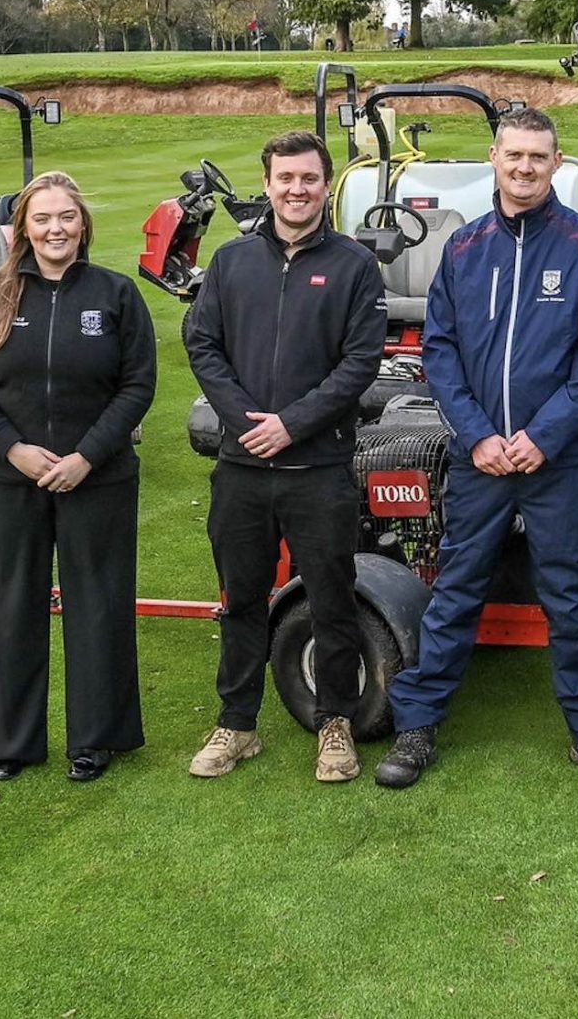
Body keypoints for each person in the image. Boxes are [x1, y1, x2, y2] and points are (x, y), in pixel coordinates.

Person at [375, 107, 578, 792]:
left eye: (537, 157)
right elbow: (441, 352)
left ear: (556, 163)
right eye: (514, 155)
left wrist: (543, 437)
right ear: (494, 158)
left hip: (561, 459)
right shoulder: (465, 248)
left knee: (571, 597)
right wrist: (478, 435)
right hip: (481, 457)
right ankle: (417, 724)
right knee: (457, 587)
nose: (524, 167)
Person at [182, 131, 389, 782]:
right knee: (242, 599)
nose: (297, 190)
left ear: (326, 185)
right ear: (267, 184)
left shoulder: (354, 265)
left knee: (331, 600)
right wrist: (247, 422)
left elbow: (360, 362)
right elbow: (203, 345)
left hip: (318, 471)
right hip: (243, 469)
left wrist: (291, 425)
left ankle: (335, 723)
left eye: (309, 179)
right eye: (285, 178)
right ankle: (237, 725)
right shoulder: (231, 262)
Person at [0, 171, 158, 785]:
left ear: (83, 224)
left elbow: (137, 385)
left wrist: (87, 456)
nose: (55, 229)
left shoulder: (116, 295)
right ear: (24, 229)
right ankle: (13, 742)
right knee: (12, 605)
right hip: (8, 479)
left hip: (98, 477)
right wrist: (12, 449)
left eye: (66, 216)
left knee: (100, 604)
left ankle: (96, 737)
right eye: (41, 218)